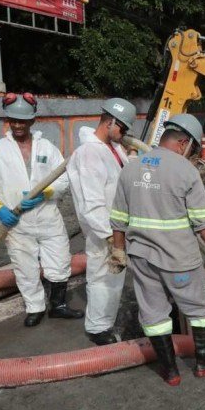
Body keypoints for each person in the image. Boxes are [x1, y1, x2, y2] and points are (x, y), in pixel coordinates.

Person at [109, 113, 205, 386]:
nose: (191, 154)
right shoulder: (186, 171)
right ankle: (204, 363)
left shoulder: (131, 167)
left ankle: (170, 371)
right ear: (184, 142)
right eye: (192, 149)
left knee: (153, 314)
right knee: (200, 310)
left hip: (141, 257)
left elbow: (118, 217)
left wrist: (118, 251)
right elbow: (203, 222)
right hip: (179, 258)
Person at [0, 93, 83, 327]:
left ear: (32, 121)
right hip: (16, 222)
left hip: (47, 217)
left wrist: (44, 194)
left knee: (59, 261)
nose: (17, 125)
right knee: (25, 267)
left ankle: (59, 306)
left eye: (22, 121)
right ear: (8, 120)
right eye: (13, 120)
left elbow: (63, 178)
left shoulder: (47, 147)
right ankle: (35, 308)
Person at [67, 98, 137, 345]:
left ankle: (106, 320)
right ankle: (98, 328)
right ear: (110, 122)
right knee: (102, 278)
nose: (125, 134)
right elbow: (91, 202)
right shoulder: (89, 154)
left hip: (118, 228)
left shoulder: (112, 148)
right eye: (123, 129)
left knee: (115, 278)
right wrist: (110, 236)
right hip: (104, 232)